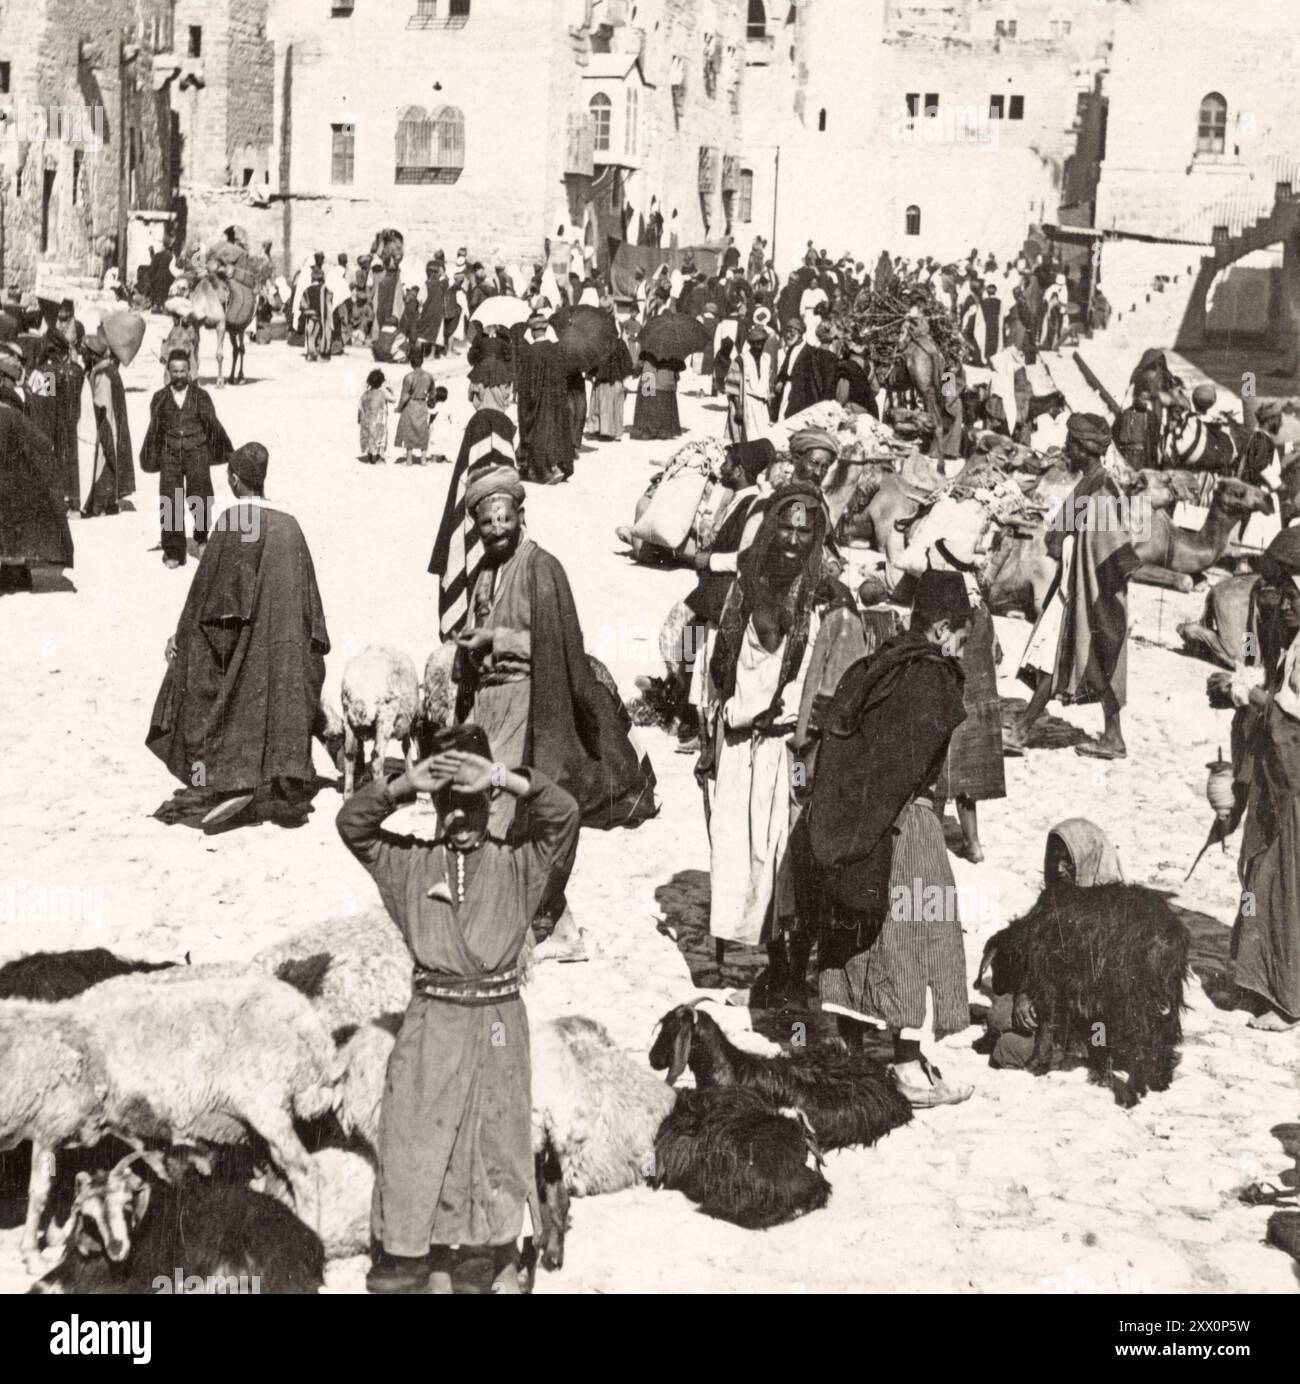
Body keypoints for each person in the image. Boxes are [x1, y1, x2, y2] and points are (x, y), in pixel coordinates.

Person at [338, 726, 579, 1294]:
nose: (456, 817)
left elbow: (565, 814)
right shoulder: (408, 866)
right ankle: (422, 1260)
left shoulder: (521, 865)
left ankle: (489, 1259)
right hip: (431, 1026)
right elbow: (352, 825)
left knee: (493, 1144)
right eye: (446, 804)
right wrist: (405, 785)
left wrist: (500, 776)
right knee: (420, 1144)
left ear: (487, 803)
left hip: (497, 1027)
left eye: (468, 802)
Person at [805, 569, 976, 1107]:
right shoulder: (931, 677)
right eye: (962, 639)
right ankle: (904, 1066)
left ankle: (853, 1056)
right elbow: (911, 763)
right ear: (943, 628)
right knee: (916, 932)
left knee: (857, 935)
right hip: (905, 821)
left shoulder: (875, 666)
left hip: (852, 822)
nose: (961, 651)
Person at [147, 443, 330, 829]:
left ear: (234, 479)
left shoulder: (234, 521)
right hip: (285, 645)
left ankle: (227, 779)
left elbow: (205, 593)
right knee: (281, 693)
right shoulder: (290, 525)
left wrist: (179, 638)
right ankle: (284, 779)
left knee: (203, 678)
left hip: (246, 640)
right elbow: (310, 602)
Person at [703, 484, 826, 968]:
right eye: (786, 526)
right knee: (735, 849)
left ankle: (782, 963)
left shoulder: (819, 598)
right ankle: (733, 950)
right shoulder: (746, 584)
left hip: (788, 749)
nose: (794, 539)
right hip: (739, 741)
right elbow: (718, 668)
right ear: (773, 526)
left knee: (782, 855)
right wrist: (710, 738)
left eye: (804, 529)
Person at [1008, 412, 1140, 759]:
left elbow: (1114, 547)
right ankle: (1113, 738)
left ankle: (1021, 731)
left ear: (1085, 449)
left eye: (1071, 445)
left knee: (1059, 657)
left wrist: (1098, 592)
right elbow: (1061, 535)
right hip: (1073, 586)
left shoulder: (1101, 490)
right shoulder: (1089, 483)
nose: (1066, 451)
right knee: (1095, 661)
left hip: (1085, 591)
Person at [1210, 530, 1300, 1031]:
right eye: (1270, 588)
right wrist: (1242, 683)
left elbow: (1288, 711)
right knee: (1253, 877)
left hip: (1291, 781)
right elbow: (1251, 659)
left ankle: (1284, 993)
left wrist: (1246, 693)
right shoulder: (1259, 618)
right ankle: (1250, 977)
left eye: (1284, 591)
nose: (1275, 599)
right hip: (1270, 771)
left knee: (1279, 882)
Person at [981, 820, 1123, 1069]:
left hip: (1092, 1025)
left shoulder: (1110, 913)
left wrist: (1042, 1003)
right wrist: (1026, 993)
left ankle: (1072, 1054)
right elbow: (1033, 955)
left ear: (1087, 859)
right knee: (1000, 1015)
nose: (1058, 869)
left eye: (1067, 861)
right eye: (1052, 859)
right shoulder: (1054, 901)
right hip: (1052, 1010)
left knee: (1005, 1048)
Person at [140, 349, 232, 568]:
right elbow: (155, 430)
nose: (179, 376)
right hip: (170, 453)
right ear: (168, 372)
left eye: (183, 371)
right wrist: (155, 456)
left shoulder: (201, 397)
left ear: (189, 371)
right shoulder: (160, 398)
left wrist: (219, 451)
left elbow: (212, 426)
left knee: (200, 495)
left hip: (196, 450)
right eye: (175, 371)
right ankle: (173, 551)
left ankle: (201, 539)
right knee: (170, 500)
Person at [0, 378, 74, 594]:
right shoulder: (46, 374)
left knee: (172, 499)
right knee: (171, 498)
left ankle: (174, 545)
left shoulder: (45, 375)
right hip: (55, 435)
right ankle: (173, 545)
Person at [512, 310, 573, 484]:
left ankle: (542, 470)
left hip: (539, 403)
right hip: (556, 400)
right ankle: (557, 466)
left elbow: (528, 386)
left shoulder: (531, 353)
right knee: (556, 432)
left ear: (532, 331)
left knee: (538, 434)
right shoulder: (556, 349)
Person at [82, 333, 136, 520]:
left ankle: (100, 504)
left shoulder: (102, 374)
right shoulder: (108, 369)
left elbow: (101, 405)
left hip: (105, 424)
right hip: (111, 423)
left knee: (103, 462)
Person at [727, 314, 777, 443]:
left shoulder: (766, 359)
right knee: (748, 439)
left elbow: (767, 384)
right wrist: (738, 409)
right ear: (750, 344)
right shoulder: (741, 361)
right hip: (748, 403)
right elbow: (733, 388)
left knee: (763, 438)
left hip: (762, 406)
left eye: (761, 343)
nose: (759, 347)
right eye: (755, 344)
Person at [587, 330, 633, 442]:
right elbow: (627, 362)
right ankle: (615, 432)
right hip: (616, 379)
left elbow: (591, 362)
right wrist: (624, 375)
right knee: (616, 406)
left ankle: (599, 429)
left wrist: (591, 374)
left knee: (599, 405)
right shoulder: (620, 343)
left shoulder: (597, 343)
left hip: (601, 379)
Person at [393, 344, 435, 465]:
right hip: (422, 404)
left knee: (409, 430)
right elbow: (433, 393)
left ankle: (409, 458)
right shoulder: (429, 376)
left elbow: (405, 396)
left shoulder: (408, 377)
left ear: (411, 362)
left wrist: (399, 408)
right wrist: (430, 403)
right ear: (422, 361)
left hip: (411, 405)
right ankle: (423, 458)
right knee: (423, 431)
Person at [631, 349, 683, 441]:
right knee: (664, 404)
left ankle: (647, 430)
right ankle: (663, 430)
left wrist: (635, 372)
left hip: (648, 378)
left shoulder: (647, 348)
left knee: (646, 404)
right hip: (666, 381)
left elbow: (638, 365)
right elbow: (678, 370)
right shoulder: (672, 348)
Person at [358, 368, 394, 464]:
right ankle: (378, 458)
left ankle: (370, 457)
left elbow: (360, 408)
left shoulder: (364, 394)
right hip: (379, 421)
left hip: (366, 422)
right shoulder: (383, 393)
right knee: (380, 439)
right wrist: (389, 388)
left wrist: (359, 420)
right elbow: (393, 399)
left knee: (370, 438)